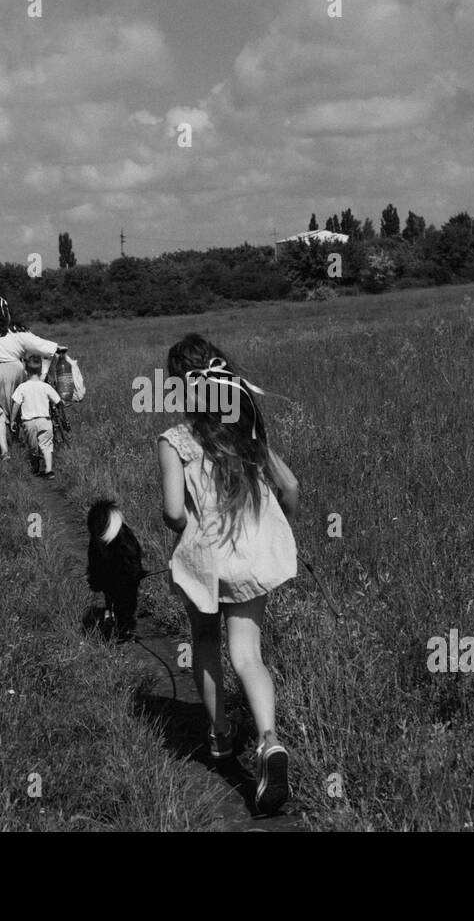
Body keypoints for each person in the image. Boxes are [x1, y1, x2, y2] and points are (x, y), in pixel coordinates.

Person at [155, 334, 299, 815]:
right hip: (250, 557)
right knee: (247, 654)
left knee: (205, 642)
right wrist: (278, 526)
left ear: (182, 388)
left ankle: (219, 738)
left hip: (205, 560)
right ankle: (269, 741)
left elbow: (174, 512)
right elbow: (291, 486)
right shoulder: (247, 434)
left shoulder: (176, 440)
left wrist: (184, 521)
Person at [0, 297, 66, 459]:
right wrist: (55, 347)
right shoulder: (16, 329)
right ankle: (15, 442)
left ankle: (4, 450)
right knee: (15, 406)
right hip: (14, 368)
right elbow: (37, 343)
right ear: (8, 312)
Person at [9, 354, 62, 479]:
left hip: (29, 422)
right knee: (47, 446)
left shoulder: (22, 387)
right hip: (45, 421)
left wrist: (12, 420)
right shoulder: (46, 386)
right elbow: (58, 401)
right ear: (40, 371)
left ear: (26, 371)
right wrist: (61, 405)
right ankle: (49, 470)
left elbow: (16, 404)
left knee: (32, 446)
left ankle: (35, 465)